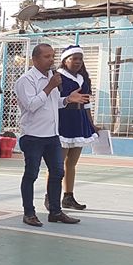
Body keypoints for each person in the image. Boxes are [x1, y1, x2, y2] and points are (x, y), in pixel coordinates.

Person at [14, 43, 89, 226]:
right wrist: (49, 87)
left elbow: (53, 104)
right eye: (46, 56)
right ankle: (29, 213)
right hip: (33, 135)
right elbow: (31, 105)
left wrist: (67, 99)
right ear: (35, 59)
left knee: (57, 173)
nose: (51, 60)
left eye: (52, 56)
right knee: (31, 174)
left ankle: (55, 211)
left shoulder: (52, 77)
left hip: (52, 135)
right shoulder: (26, 80)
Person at [55, 45, 97, 210]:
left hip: (79, 121)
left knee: (71, 163)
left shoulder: (83, 78)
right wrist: (69, 99)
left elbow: (86, 104)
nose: (78, 61)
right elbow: (53, 101)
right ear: (65, 60)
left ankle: (68, 197)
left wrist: (92, 124)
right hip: (64, 120)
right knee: (57, 164)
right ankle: (51, 197)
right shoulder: (58, 77)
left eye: (80, 58)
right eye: (74, 58)